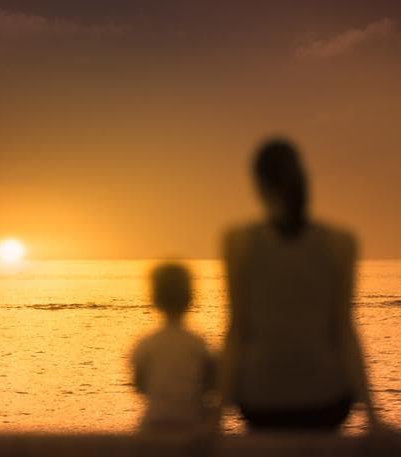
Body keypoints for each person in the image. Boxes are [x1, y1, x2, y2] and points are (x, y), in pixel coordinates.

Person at [220, 138, 382, 431]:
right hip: (326, 403)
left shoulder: (238, 242)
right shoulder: (340, 242)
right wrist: (374, 421)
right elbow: (344, 330)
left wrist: (213, 421)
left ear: (259, 185)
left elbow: (237, 330)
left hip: (260, 404)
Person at [131, 263, 218, 433]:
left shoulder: (146, 343)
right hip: (191, 422)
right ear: (190, 298)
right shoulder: (199, 343)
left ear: (154, 299)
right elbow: (211, 383)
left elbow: (139, 385)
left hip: (154, 422)